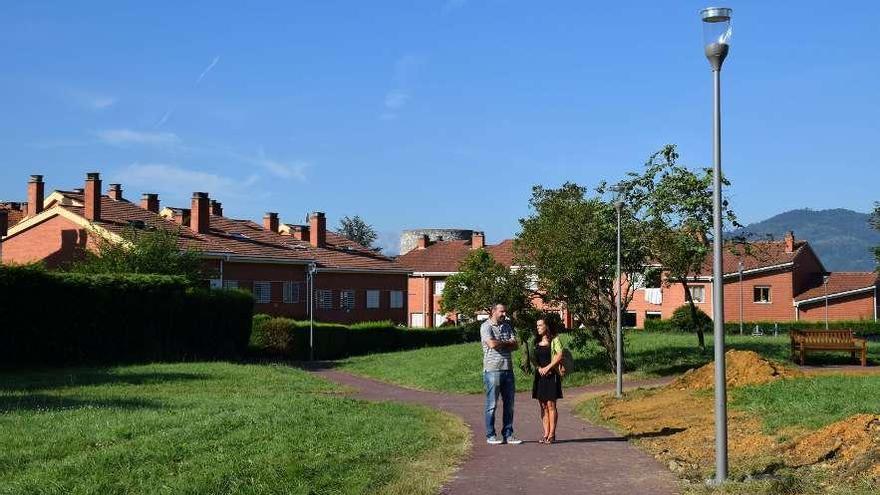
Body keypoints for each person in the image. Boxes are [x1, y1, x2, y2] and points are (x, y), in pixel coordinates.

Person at [480, 303, 522, 445]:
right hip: (492, 370)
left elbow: (516, 345)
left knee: (509, 404)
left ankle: (508, 435)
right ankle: (491, 435)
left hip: (508, 369)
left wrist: (502, 343)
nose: (504, 314)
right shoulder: (486, 326)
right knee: (492, 404)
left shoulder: (507, 326)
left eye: (505, 311)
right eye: (501, 311)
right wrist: (506, 343)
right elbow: (491, 344)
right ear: (493, 311)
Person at [532, 318, 563, 444]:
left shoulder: (555, 340)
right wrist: (539, 368)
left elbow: (560, 355)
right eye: (537, 326)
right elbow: (533, 359)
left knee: (551, 405)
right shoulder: (535, 342)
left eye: (540, 325)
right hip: (540, 376)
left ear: (547, 326)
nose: (538, 327)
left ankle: (552, 434)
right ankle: (545, 433)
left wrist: (548, 367)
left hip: (551, 375)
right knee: (543, 405)